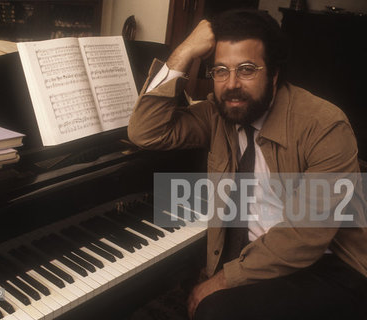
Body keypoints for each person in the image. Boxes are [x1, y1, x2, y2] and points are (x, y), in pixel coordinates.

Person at [127, 9, 367, 320]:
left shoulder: (325, 125)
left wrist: (222, 279)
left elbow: (305, 237)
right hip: (252, 251)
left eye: (247, 69)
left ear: (275, 75)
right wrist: (185, 49)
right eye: (220, 71)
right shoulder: (218, 112)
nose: (231, 85)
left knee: (213, 310)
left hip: (326, 266)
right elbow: (145, 130)